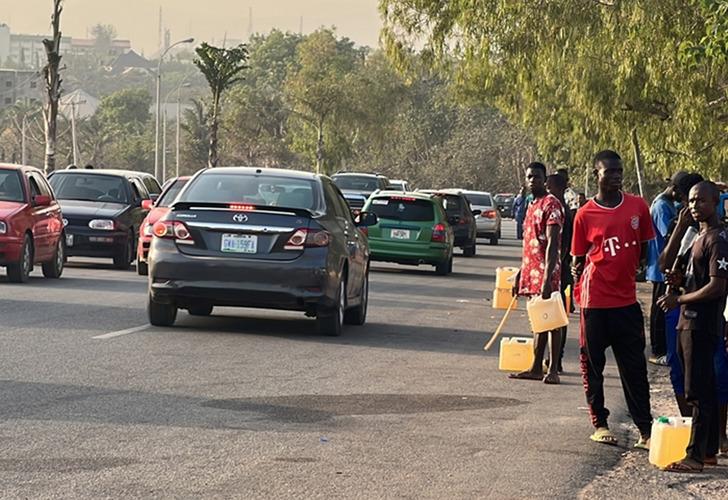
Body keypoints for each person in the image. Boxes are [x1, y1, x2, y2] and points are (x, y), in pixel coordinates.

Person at [571, 150, 655, 448]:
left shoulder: (637, 207)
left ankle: (646, 430)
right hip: (595, 302)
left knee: (634, 368)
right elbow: (579, 259)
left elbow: (643, 251)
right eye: (610, 172)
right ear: (597, 175)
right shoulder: (585, 214)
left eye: (620, 171)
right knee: (592, 364)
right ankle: (600, 423)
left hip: (626, 302)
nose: (617, 176)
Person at [657, 181, 728, 472]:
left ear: (715, 202)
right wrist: (680, 282)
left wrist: (680, 299)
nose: (695, 207)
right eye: (691, 201)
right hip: (687, 321)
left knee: (698, 391)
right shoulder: (695, 235)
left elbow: (717, 287)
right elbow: (667, 265)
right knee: (700, 388)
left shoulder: (718, 239)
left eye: (701, 201)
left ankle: (695, 456)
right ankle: (708, 450)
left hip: (702, 322)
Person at [510, 162, 564, 384]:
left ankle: (552, 369)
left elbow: (552, 243)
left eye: (537, 177)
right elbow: (530, 243)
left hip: (547, 274)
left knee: (552, 321)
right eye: (529, 177)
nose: (533, 180)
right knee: (538, 322)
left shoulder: (552, 204)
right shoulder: (531, 205)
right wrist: (521, 273)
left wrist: (547, 278)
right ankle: (535, 367)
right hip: (531, 273)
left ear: (545, 180)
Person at [646, 172, 691, 366]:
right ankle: (658, 350)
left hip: (665, 265)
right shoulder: (661, 206)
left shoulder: (669, 204)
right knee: (658, 309)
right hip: (660, 263)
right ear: (674, 190)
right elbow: (669, 233)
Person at [546, 173, 573, 373]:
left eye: (549, 187)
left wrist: (554, 267)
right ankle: (552, 358)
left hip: (560, 272)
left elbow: (563, 246)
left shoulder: (562, 211)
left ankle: (557, 358)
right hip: (556, 269)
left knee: (558, 316)